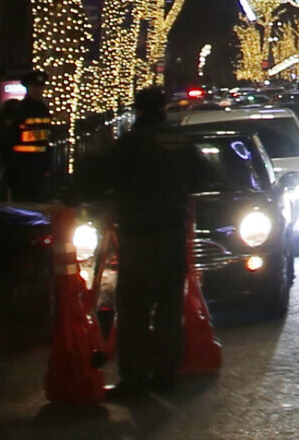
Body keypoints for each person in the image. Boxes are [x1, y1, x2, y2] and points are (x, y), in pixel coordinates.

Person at [85, 86, 208, 398]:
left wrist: (74, 196)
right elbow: (205, 174)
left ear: (138, 110)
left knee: (134, 310)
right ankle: (166, 374)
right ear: (163, 109)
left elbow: (99, 178)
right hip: (174, 232)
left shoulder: (131, 143)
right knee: (168, 308)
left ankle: (136, 381)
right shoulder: (179, 140)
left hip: (140, 235)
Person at [0, 72, 58, 203]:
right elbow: (8, 138)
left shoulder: (42, 109)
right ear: (28, 88)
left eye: (40, 88)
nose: (38, 91)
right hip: (21, 166)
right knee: (22, 202)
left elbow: (45, 139)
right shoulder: (18, 109)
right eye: (35, 87)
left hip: (38, 165)